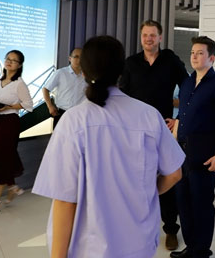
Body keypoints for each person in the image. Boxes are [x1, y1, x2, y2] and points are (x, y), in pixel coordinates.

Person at [33, 35, 185, 258]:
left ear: (84, 72)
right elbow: (174, 173)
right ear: (121, 71)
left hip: (88, 247)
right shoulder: (149, 115)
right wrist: (146, 193)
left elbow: (65, 200)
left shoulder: (74, 120)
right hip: (139, 242)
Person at [119, 19, 188, 250]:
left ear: (160, 37)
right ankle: (135, 226)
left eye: (152, 35)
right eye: (145, 35)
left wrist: (179, 118)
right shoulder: (131, 63)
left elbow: (188, 89)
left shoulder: (171, 60)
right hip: (135, 131)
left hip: (162, 130)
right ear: (141, 38)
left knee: (168, 176)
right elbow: (122, 95)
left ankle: (170, 229)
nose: (148, 39)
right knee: (136, 178)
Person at [171, 36, 215, 258]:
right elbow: (181, 117)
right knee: (183, 202)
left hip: (205, 155)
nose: (194, 57)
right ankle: (191, 247)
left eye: (200, 53)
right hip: (182, 154)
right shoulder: (187, 82)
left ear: (212, 58)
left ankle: (201, 250)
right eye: (192, 53)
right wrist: (172, 146)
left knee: (202, 203)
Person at [0, 50, 34, 217]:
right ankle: (12, 186)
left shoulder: (19, 84)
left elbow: (28, 104)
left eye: (14, 60)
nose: (9, 62)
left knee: (3, 158)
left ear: (19, 65)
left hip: (10, 123)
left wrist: (8, 107)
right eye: (8, 59)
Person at [42, 48, 85, 129]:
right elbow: (45, 89)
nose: (79, 60)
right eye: (76, 57)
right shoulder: (61, 73)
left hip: (81, 115)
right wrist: (50, 106)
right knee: (60, 137)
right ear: (70, 58)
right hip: (62, 114)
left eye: (82, 57)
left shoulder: (87, 75)